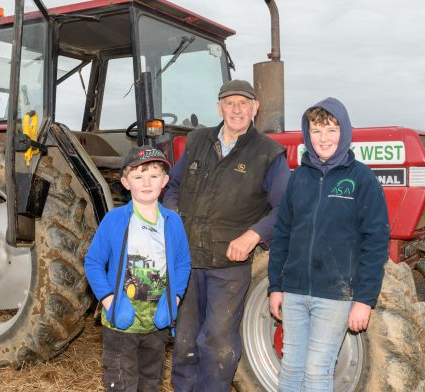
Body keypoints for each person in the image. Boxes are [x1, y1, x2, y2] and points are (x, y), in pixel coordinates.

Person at [164, 79, 291, 391]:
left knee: (217, 342)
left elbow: (286, 208)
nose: (237, 109)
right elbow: (174, 187)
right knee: (184, 341)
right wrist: (173, 215)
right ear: (219, 107)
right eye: (230, 103)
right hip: (189, 261)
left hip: (228, 266)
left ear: (255, 108)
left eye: (243, 103)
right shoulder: (198, 141)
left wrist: (253, 235)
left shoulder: (269, 154)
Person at [267, 97, 390, 391]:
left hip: (335, 294)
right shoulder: (298, 179)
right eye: (316, 131)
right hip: (295, 291)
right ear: (307, 135)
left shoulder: (361, 178)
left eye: (331, 130)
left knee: (317, 370)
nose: (324, 138)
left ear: (344, 132)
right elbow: (282, 234)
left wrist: (364, 299)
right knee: (291, 366)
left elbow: (376, 242)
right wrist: (276, 287)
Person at [85, 146, 191, 392]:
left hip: (157, 322)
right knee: (122, 384)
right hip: (122, 322)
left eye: (154, 176)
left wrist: (174, 298)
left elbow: (183, 262)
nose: (146, 182)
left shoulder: (172, 221)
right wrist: (110, 300)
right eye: (138, 176)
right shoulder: (114, 220)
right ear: (125, 182)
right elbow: (93, 262)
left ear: (164, 181)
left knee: (150, 383)